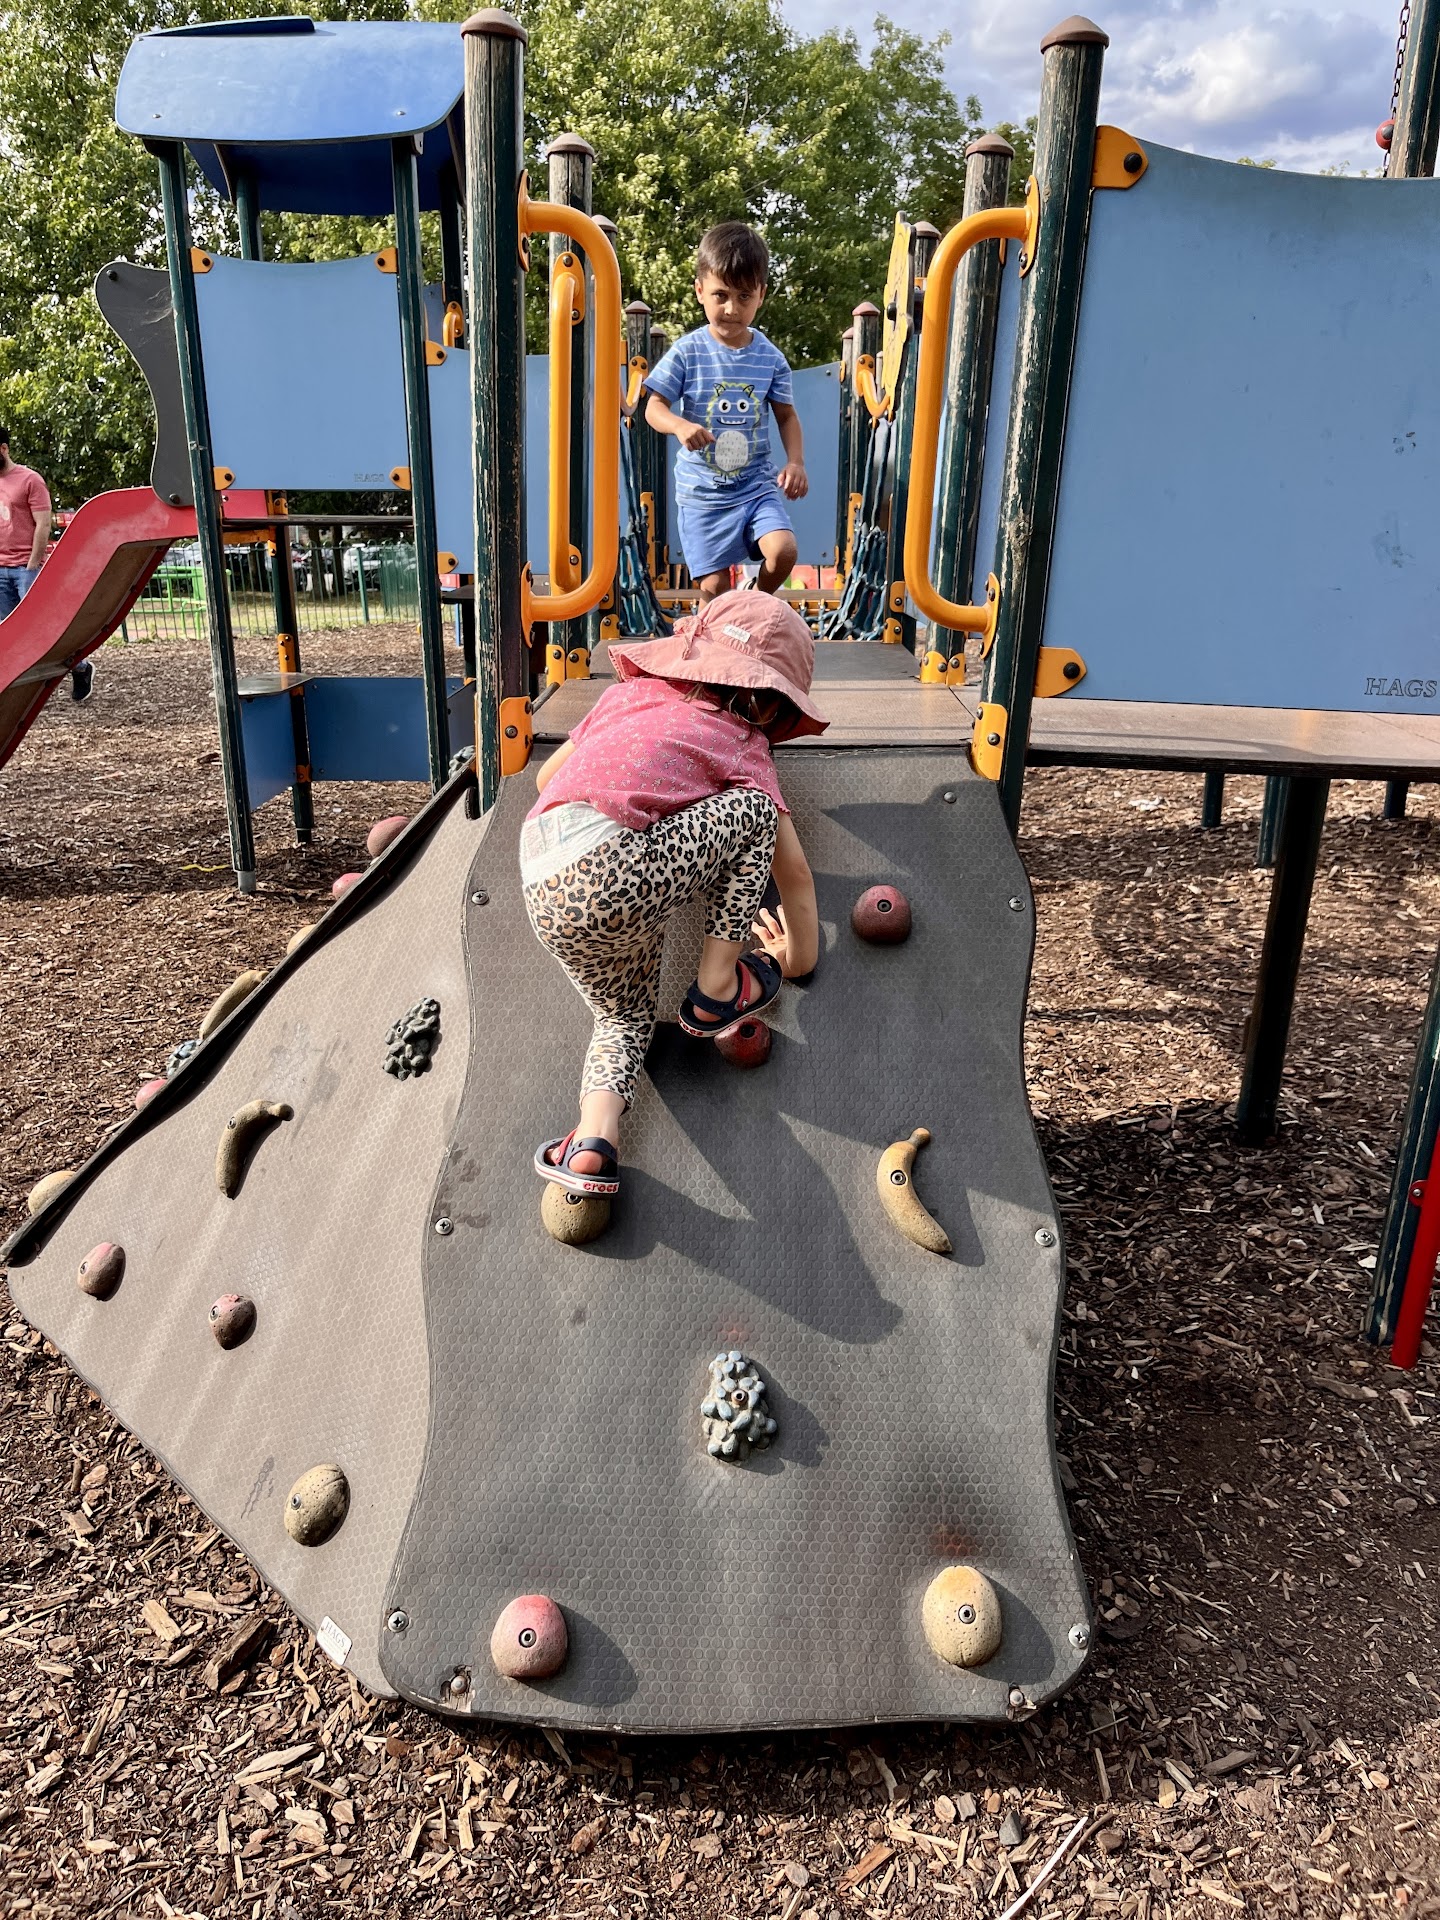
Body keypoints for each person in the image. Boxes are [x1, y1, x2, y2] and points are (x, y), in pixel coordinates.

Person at [524, 589, 825, 1197]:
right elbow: (792, 869)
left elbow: (545, 779)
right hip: (615, 868)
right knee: (756, 814)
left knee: (621, 1016)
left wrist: (650, 778)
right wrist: (799, 957)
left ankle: (593, 1141)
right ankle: (717, 986)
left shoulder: (624, 696)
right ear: (770, 705)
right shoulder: (743, 742)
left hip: (542, 876)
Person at [643, 222, 807, 606]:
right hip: (703, 495)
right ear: (700, 290)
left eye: (744, 296)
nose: (732, 309)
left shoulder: (770, 358)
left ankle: (751, 602)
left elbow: (786, 416)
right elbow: (653, 406)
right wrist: (679, 425)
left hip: (755, 487)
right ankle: (717, 626)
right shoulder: (688, 352)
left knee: (783, 551)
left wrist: (796, 461)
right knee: (714, 589)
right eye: (721, 295)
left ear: (761, 295)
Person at [0, 430, 91, 701]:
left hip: (25, 568)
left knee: (43, 630)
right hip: (1, 568)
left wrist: (32, 564)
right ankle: (19, 688)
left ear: (3, 449)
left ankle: (80, 667)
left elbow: (43, 523)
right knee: (8, 632)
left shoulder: (29, 480)